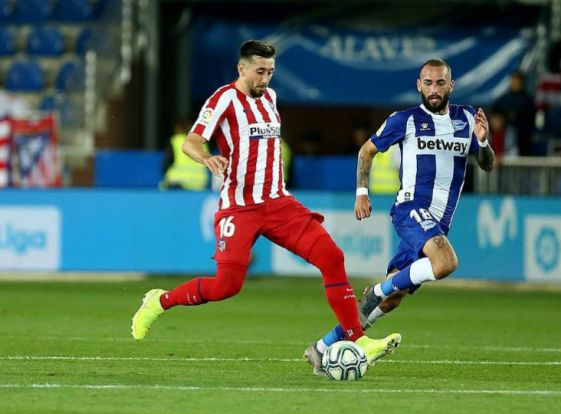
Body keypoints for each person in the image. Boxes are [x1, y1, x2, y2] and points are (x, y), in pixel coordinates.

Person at [130, 40, 401, 371]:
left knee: (332, 257)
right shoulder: (223, 99)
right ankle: (160, 300)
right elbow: (191, 141)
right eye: (260, 72)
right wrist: (208, 158)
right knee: (226, 286)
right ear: (242, 69)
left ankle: (358, 341)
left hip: (279, 203)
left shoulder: (271, 98)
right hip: (240, 207)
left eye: (271, 72)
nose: (266, 79)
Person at [304, 59, 495, 371]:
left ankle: (322, 346)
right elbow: (366, 150)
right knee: (445, 264)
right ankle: (377, 289)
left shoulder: (467, 118)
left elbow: (487, 164)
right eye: (428, 83)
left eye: (440, 83)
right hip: (410, 209)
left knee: (393, 297)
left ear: (451, 85)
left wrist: (484, 141)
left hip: (438, 221)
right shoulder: (404, 120)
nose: (434, 89)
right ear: (419, 86)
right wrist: (362, 192)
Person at [492, 71, 536, 156]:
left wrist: (515, 117)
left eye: (518, 81)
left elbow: (530, 120)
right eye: (513, 81)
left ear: (523, 83)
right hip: (502, 139)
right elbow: (495, 114)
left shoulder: (527, 101)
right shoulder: (504, 99)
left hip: (522, 140)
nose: (515, 83)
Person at [160, 119, 210, 191]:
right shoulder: (202, 142)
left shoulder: (175, 140)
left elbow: (167, 162)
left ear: (178, 128)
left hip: (177, 182)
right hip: (199, 183)